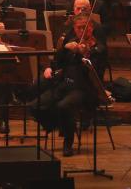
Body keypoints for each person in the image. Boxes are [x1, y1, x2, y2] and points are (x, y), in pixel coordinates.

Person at [34, 11, 107, 156]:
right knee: (35, 105)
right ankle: (57, 124)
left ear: (91, 28)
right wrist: (64, 49)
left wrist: (84, 54)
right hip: (64, 85)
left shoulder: (98, 47)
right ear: (74, 28)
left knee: (63, 106)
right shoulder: (71, 42)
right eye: (79, 28)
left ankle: (68, 140)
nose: (82, 30)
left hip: (84, 89)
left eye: (85, 27)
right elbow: (58, 63)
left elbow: (94, 72)